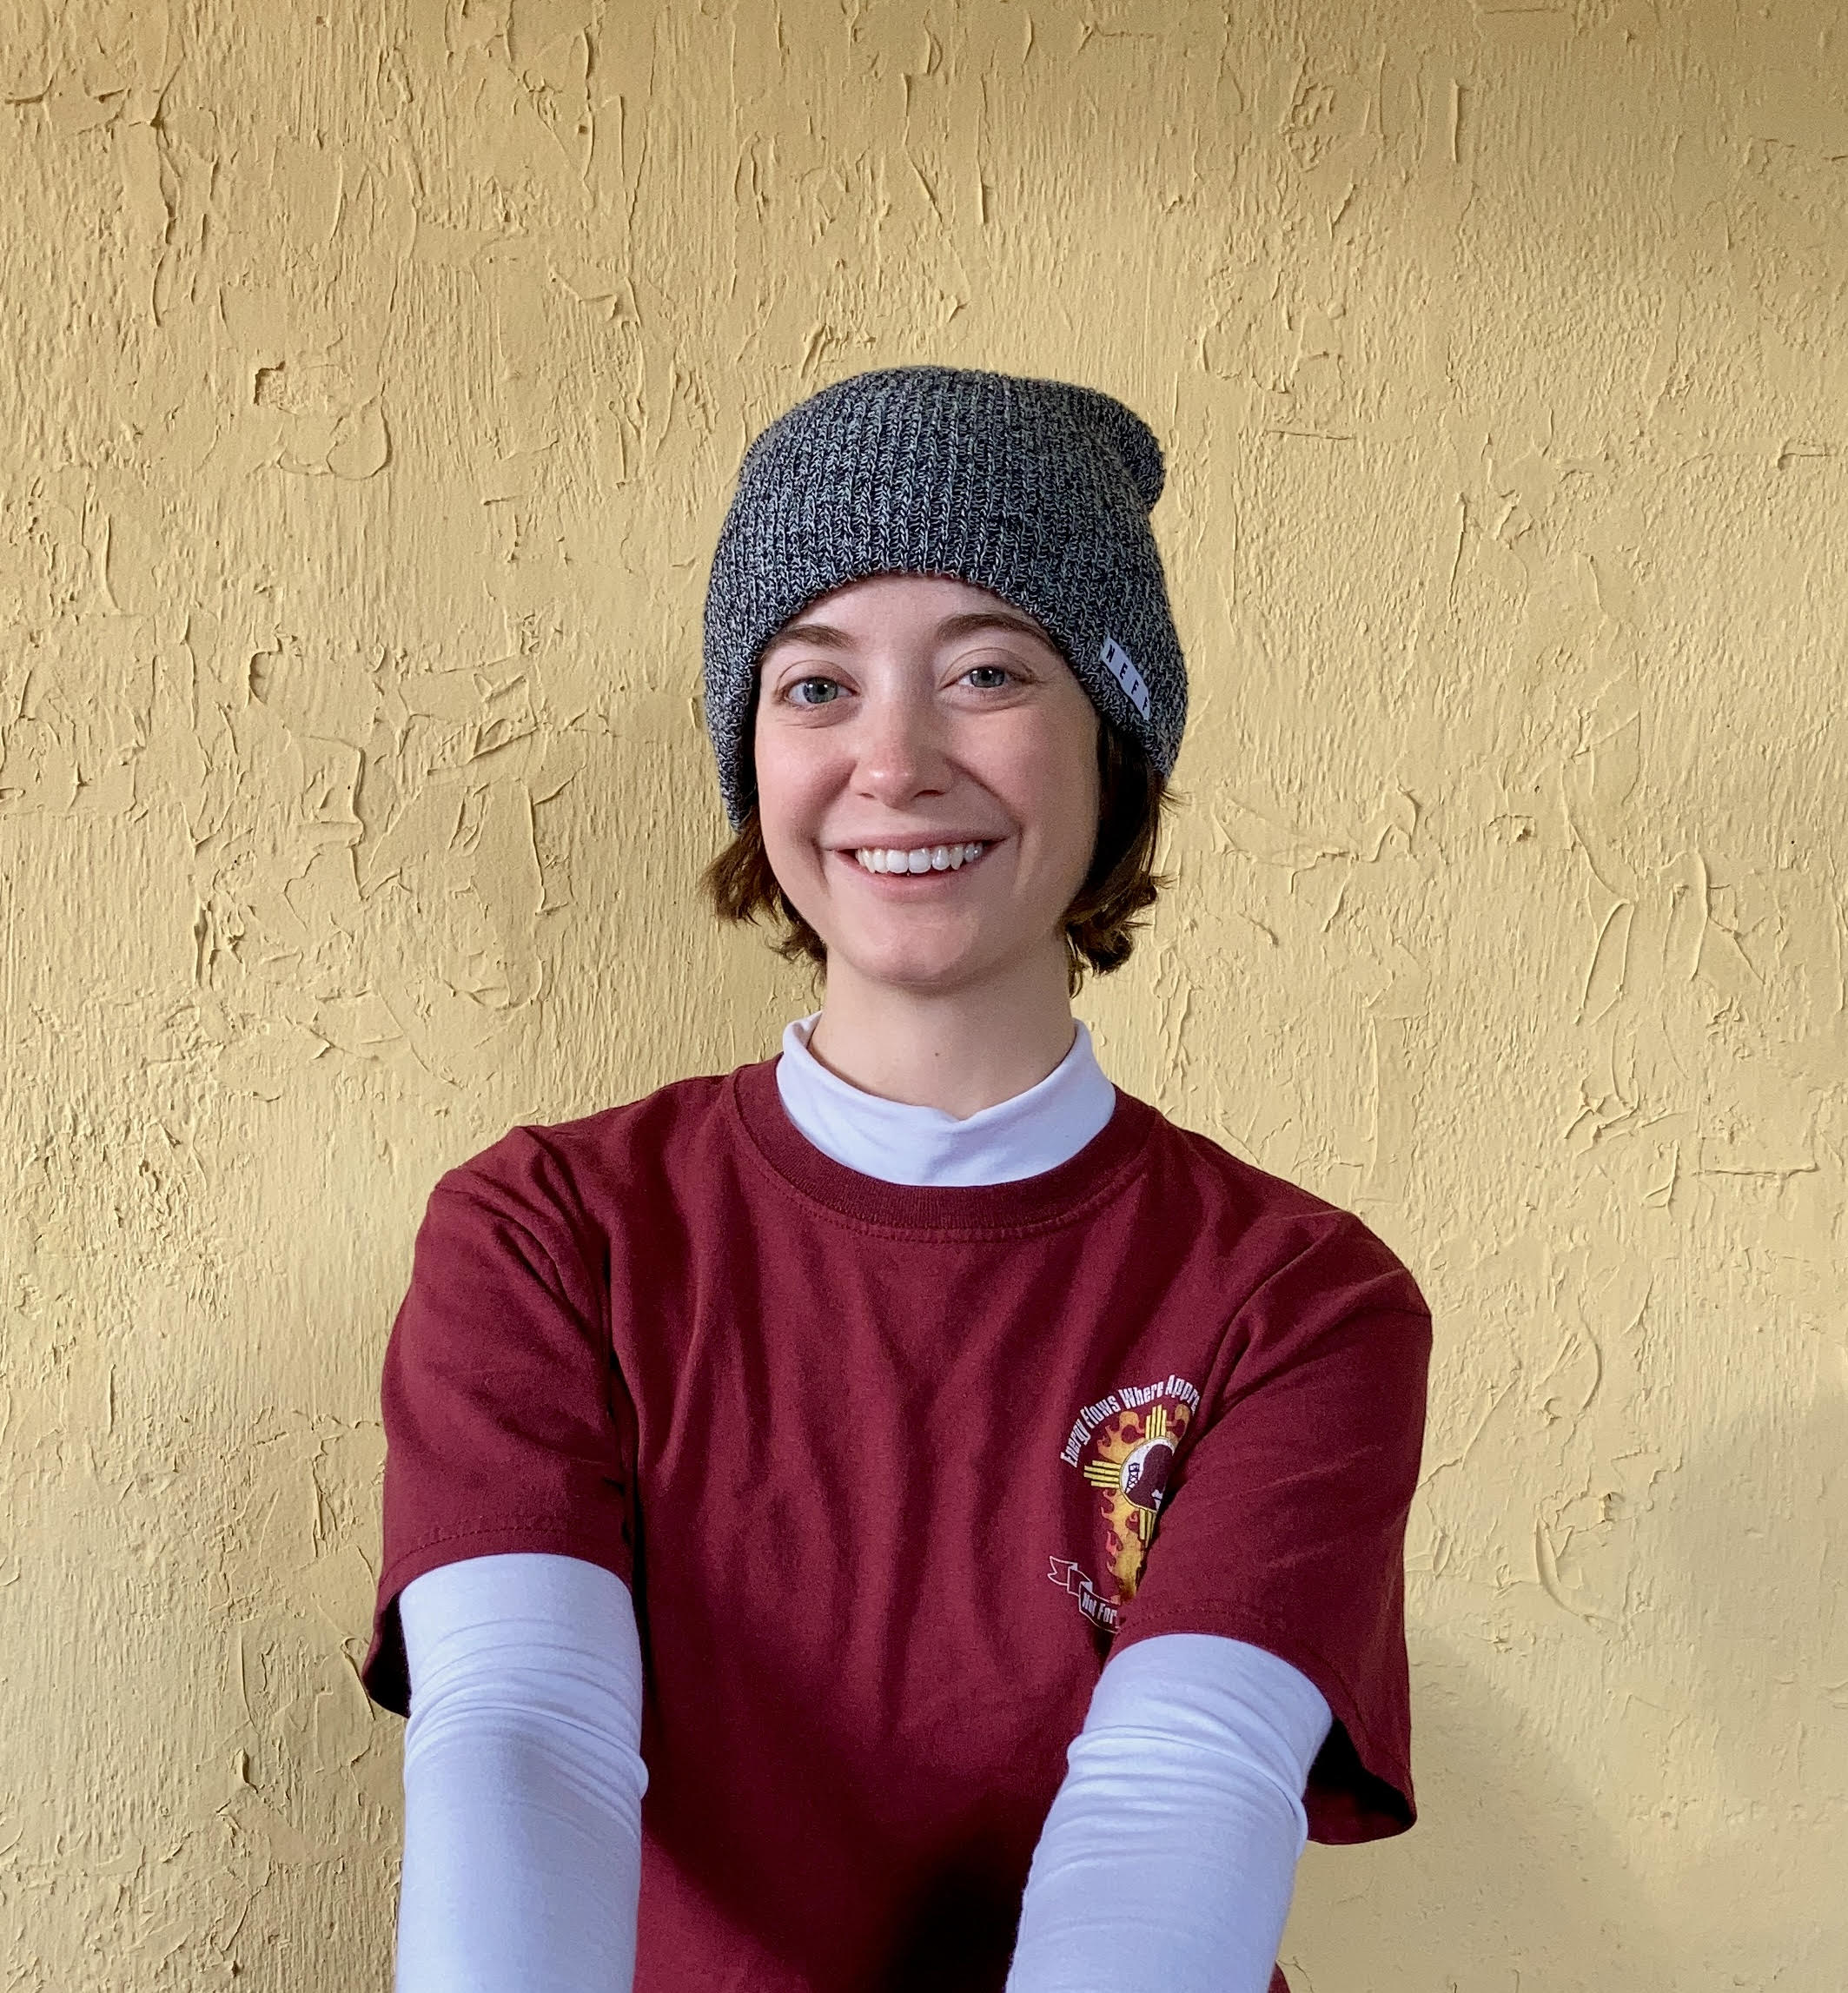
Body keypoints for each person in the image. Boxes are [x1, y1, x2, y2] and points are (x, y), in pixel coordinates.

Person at [360, 364, 1434, 1993]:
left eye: (988, 670)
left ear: (1114, 740)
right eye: (816, 685)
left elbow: (1179, 1793)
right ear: (750, 752)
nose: (896, 758)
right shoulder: (548, 1235)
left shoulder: (1302, 1300)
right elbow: (526, 1733)